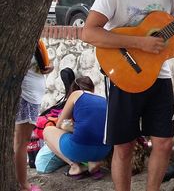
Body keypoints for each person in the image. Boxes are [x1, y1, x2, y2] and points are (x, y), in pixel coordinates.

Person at [82, 0, 174, 191]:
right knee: (124, 145)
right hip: (124, 72)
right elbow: (89, 32)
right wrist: (139, 43)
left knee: (164, 142)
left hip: (160, 73)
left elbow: (173, 28)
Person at [43, 76, 111, 179]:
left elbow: (59, 124)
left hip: (79, 149)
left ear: (74, 88)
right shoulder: (104, 99)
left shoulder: (76, 94)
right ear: (92, 88)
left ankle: (75, 167)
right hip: (104, 151)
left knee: (47, 131)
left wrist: (68, 126)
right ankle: (93, 163)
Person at [14, 45, 53, 191]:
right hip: (27, 96)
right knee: (21, 142)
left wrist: (49, 67)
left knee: (20, 142)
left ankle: (21, 182)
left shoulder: (31, 38)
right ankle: (23, 185)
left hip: (32, 96)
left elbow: (37, 64)